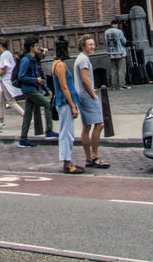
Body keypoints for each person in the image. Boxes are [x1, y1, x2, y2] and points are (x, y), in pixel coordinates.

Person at [16, 38, 57, 147]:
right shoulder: (26, 60)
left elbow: (37, 75)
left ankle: (23, 139)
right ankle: (49, 131)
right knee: (47, 104)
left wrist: (46, 89)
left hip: (32, 88)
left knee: (28, 115)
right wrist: (35, 81)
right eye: (36, 45)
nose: (38, 47)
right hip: (29, 89)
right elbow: (21, 77)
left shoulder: (33, 59)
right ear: (31, 48)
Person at [75, 35, 107, 168]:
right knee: (99, 124)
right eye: (90, 45)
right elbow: (84, 79)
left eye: (93, 44)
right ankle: (94, 156)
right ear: (83, 46)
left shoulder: (80, 58)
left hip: (81, 96)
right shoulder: (83, 60)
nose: (93, 47)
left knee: (87, 126)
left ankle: (88, 158)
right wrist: (93, 94)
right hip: (87, 96)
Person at [51, 38, 83, 174]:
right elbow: (65, 87)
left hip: (61, 102)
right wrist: (73, 106)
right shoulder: (60, 66)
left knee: (66, 132)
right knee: (67, 133)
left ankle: (67, 161)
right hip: (64, 103)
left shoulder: (55, 64)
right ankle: (67, 162)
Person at [0, 37, 24, 133]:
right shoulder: (7, 54)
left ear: (0, 46)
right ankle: (1, 122)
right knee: (0, 101)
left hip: (5, 81)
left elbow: (4, 71)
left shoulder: (4, 55)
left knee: (11, 102)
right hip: (4, 81)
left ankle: (26, 117)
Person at [103, 19, 129, 89]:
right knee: (121, 69)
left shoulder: (106, 32)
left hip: (111, 52)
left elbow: (106, 42)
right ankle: (121, 84)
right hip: (120, 52)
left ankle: (114, 85)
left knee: (113, 69)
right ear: (116, 25)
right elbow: (124, 41)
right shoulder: (119, 31)